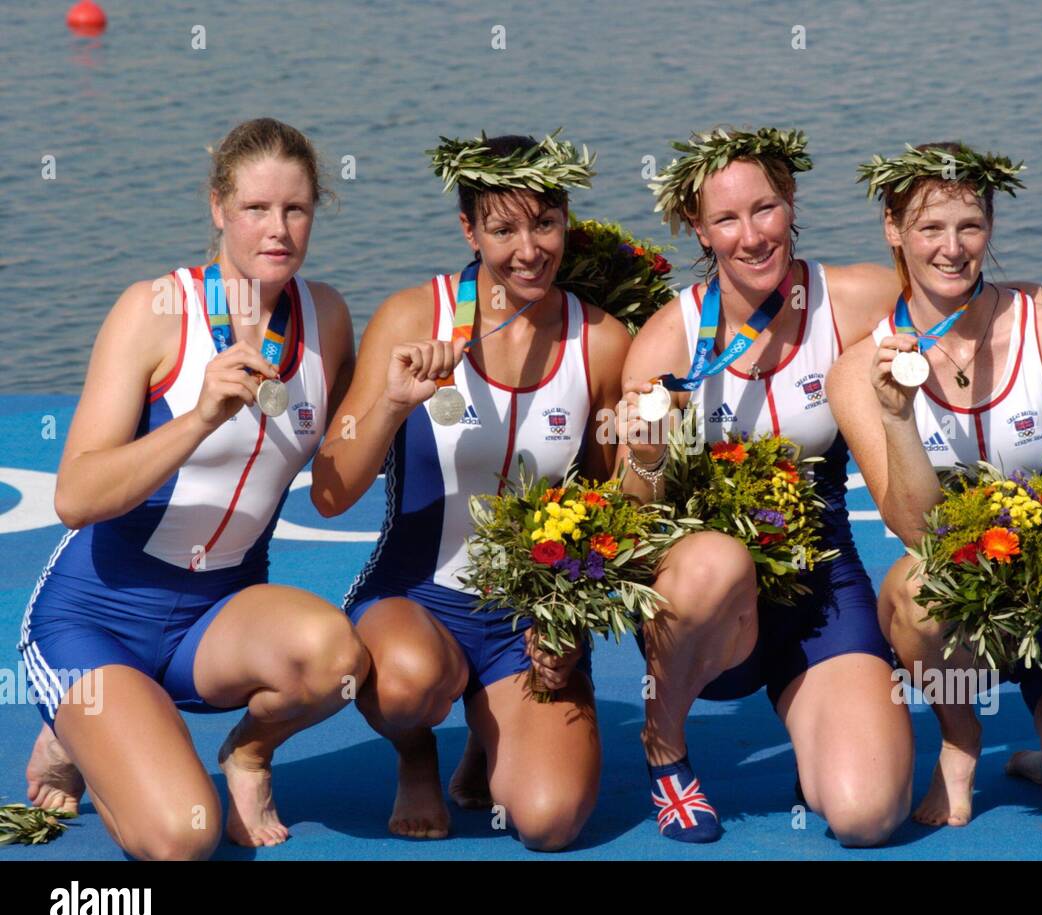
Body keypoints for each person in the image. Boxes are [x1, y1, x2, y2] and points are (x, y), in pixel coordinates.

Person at [618, 128, 1042, 845]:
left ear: (791, 203)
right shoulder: (666, 341)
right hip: (711, 609)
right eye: (727, 219)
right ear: (698, 228)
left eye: (766, 208)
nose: (753, 235)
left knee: (867, 816)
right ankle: (664, 747)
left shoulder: (853, 299)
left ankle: (819, 740)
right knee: (714, 563)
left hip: (822, 589)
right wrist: (644, 456)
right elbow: (626, 527)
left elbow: (967, 283)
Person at [20, 117, 368, 859]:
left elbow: (345, 462)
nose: (277, 229)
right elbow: (75, 496)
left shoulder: (328, 316)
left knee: (336, 657)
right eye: (255, 209)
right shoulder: (153, 311)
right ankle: (76, 733)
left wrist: (403, 398)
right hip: (95, 617)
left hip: (217, 620)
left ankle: (245, 754)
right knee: (184, 837)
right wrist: (201, 417)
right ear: (218, 208)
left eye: (296, 209)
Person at [311, 133, 630, 851]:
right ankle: (416, 754)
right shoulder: (410, 317)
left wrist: (569, 624)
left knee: (549, 823)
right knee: (405, 684)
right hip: (416, 600)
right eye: (503, 227)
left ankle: (491, 733)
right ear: (468, 230)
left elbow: (622, 512)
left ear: (567, 220)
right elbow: (329, 494)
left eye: (545, 223)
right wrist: (392, 403)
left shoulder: (603, 341)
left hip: (533, 615)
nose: (529, 248)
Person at [828, 142, 1042, 831]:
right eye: (929, 228)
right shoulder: (858, 373)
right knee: (916, 585)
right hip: (948, 609)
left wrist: (1041, 582)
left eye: (969, 226)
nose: (952, 247)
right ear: (893, 229)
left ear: (991, 227)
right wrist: (896, 417)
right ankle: (960, 733)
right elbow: (920, 533)